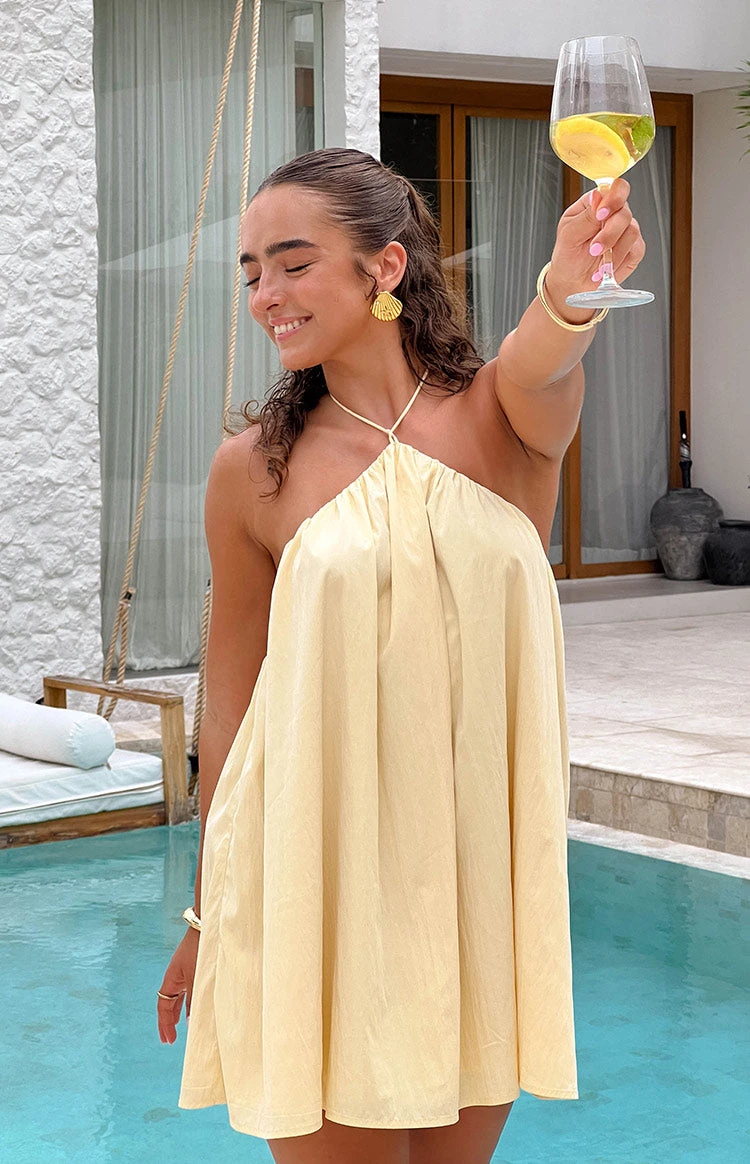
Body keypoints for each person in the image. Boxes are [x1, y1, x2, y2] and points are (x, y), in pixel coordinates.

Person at [157, 147, 646, 1164]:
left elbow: (546, 348)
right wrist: (206, 912)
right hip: (318, 885)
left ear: (384, 267)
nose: (266, 294)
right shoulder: (252, 472)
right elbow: (231, 710)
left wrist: (572, 286)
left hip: (475, 889)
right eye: (251, 273)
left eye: (293, 263)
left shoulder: (502, 416)